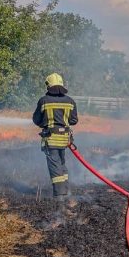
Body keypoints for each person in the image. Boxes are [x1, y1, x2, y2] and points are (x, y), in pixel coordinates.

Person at [32, 73, 79, 201]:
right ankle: (66, 191)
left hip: (51, 139)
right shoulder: (70, 101)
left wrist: (44, 123)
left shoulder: (44, 100)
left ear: (48, 85)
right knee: (61, 164)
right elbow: (74, 120)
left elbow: (36, 120)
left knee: (54, 166)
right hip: (64, 140)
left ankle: (59, 196)